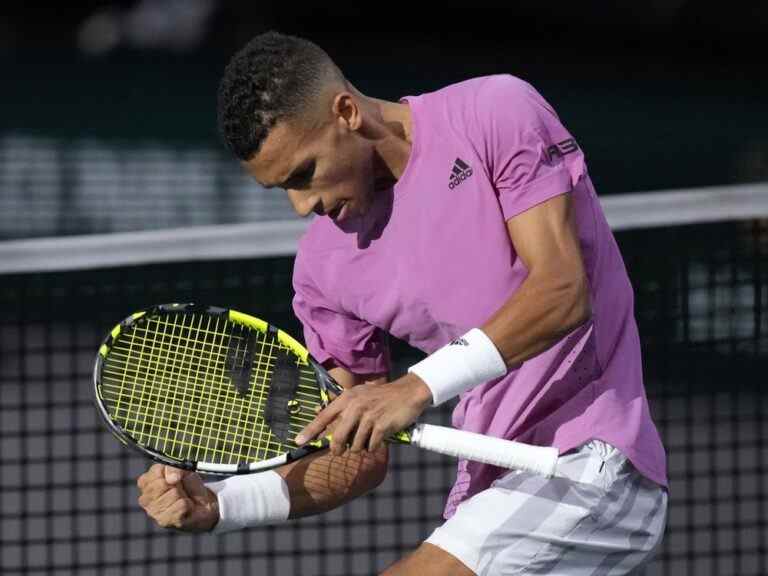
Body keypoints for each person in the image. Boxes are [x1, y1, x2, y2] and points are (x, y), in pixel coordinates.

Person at [136, 31, 668, 575]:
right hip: (493, 490)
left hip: (588, 465)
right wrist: (223, 503)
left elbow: (562, 292)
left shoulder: (493, 113)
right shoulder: (322, 268)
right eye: (282, 190)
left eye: (304, 174)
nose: (302, 205)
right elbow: (353, 457)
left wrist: (415, 387)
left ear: (345, 111)